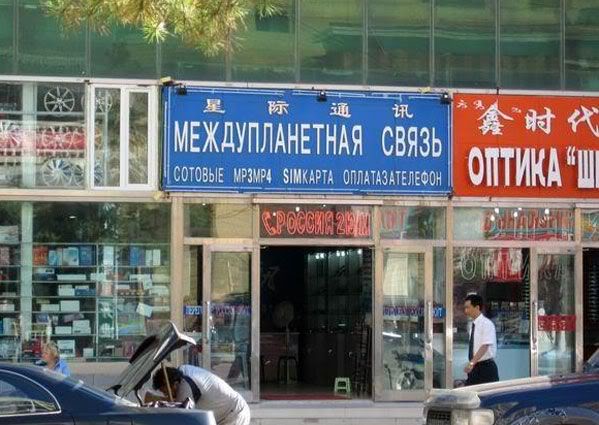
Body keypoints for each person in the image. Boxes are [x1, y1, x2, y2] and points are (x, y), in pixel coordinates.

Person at [153, 365, 250, 425]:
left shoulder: (186, 387)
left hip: (234, 415)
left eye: (165, 391)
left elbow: (183, 419)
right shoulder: (182, 370)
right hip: (228, 413)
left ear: (172, 383)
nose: (166, 394)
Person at [463, 294, 499, 386]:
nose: (466, 311)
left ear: (477, 307)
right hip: (475, 367)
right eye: (465, 308)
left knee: (487, 393)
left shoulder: (486, 324)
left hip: (486, 368)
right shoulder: (473, 325)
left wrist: (471, 363)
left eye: (468, 307)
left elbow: (485, 346)